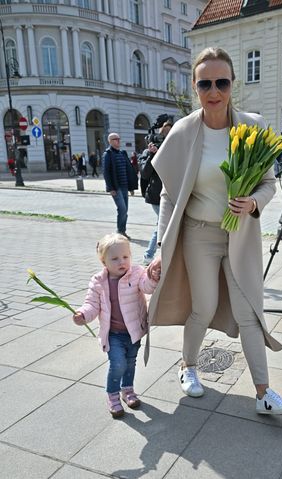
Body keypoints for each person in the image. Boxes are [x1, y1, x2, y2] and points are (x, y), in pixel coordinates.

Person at [147, 47, 282, 415]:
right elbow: (168, 194)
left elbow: (268, 183)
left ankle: (263, 393)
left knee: (249, 311)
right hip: (199, 235)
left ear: (232, 83)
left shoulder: (253, 126)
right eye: (205, 83)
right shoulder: (183, 131)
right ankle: (188, 365)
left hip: (241, 235)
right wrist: (161, 249)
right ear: (195, 87)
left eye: (222, 82)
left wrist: (254, 203)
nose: (214, 91)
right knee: (204, 306)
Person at [72, 233, 160, 418]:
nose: (122, 262)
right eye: (115, 258)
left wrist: (153, 277)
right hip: (113, 334)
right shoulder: (98, 282)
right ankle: (112, 395)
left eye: (125, 257)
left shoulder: (136, 273)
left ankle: (127, 390)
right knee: (118, 363)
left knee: (130, 363)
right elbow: (91, 304)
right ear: (104, 262)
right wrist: (83, 315)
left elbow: (147, 287)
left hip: (133, 331)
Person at [139, 121, 173, 265]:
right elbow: (145, 173)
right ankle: (149, 255)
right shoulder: (148, 152)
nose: (166, 137)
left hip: (172, 193)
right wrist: (154, 155)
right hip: (156, 195)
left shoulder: (172, 148)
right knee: (161, 224)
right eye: (164, 134)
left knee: (167, 224)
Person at [103, 133, 138, 239]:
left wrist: (131, 187)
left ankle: (122, 231)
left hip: (125, 186)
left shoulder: (123, 153)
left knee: (125, 210)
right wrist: (110, 188)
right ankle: (120, 231)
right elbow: (106, 172)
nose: (118, 141)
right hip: (116, 187)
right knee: (122, 209)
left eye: (119, 139)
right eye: (115, 139)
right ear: (110, 141)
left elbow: (129, 170)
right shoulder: (107, 154)